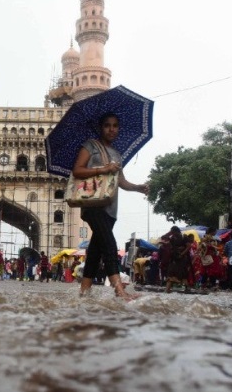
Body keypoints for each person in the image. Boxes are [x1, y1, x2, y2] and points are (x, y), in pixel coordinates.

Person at [72, 112, 149, 299]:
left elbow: (120, 182)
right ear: (101, 127)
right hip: (92, 205)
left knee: (96, 252)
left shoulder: (117, 154)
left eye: (115, 125)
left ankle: (84, 292)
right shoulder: (90, 146)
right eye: (107, 125)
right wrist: (103, 168)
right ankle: (119, 291)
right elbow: (77, 170)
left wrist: (139, 187)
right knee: (109, 244)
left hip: (110, 207)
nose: (111, 129)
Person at [164, 226, 191, 293]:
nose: (173, 234)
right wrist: (168, 234)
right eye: (172, 232)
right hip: (174, 258)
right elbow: (164, 238)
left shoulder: (184, 237)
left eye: (173, 232)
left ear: (176, 231)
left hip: (182, 258)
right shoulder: (172, 238)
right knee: (170, 273)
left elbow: (188, 247)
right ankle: (167, 290)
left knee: (182, 273)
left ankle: (187, 287)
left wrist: (182, 254)